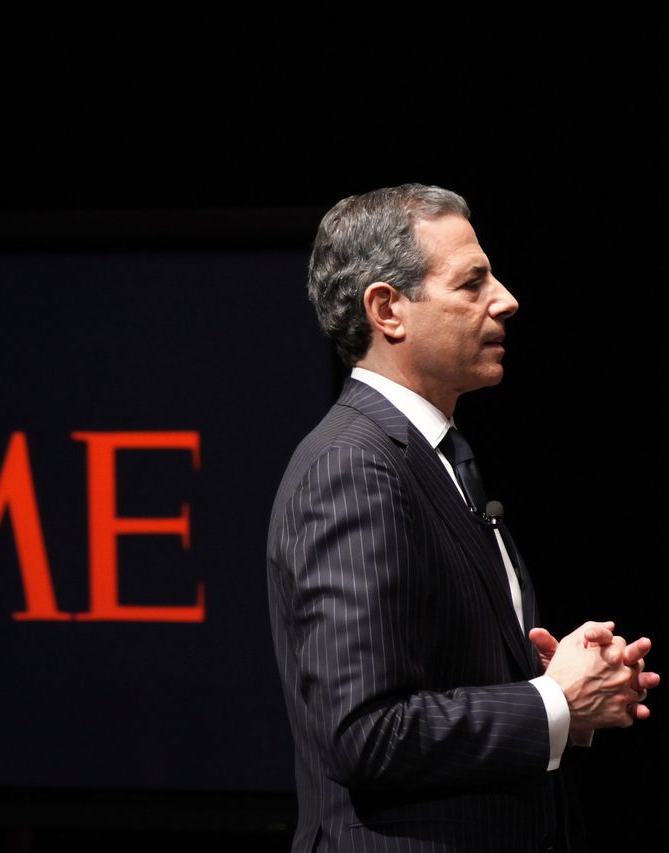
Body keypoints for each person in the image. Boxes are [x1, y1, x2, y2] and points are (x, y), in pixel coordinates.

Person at [266, 184, 657, 852]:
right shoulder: (352, 469)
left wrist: (556, 684)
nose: (505, 299)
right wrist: (551, 703)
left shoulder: (435, 455)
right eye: (473, 282)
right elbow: (365, 733)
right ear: (388, 309)